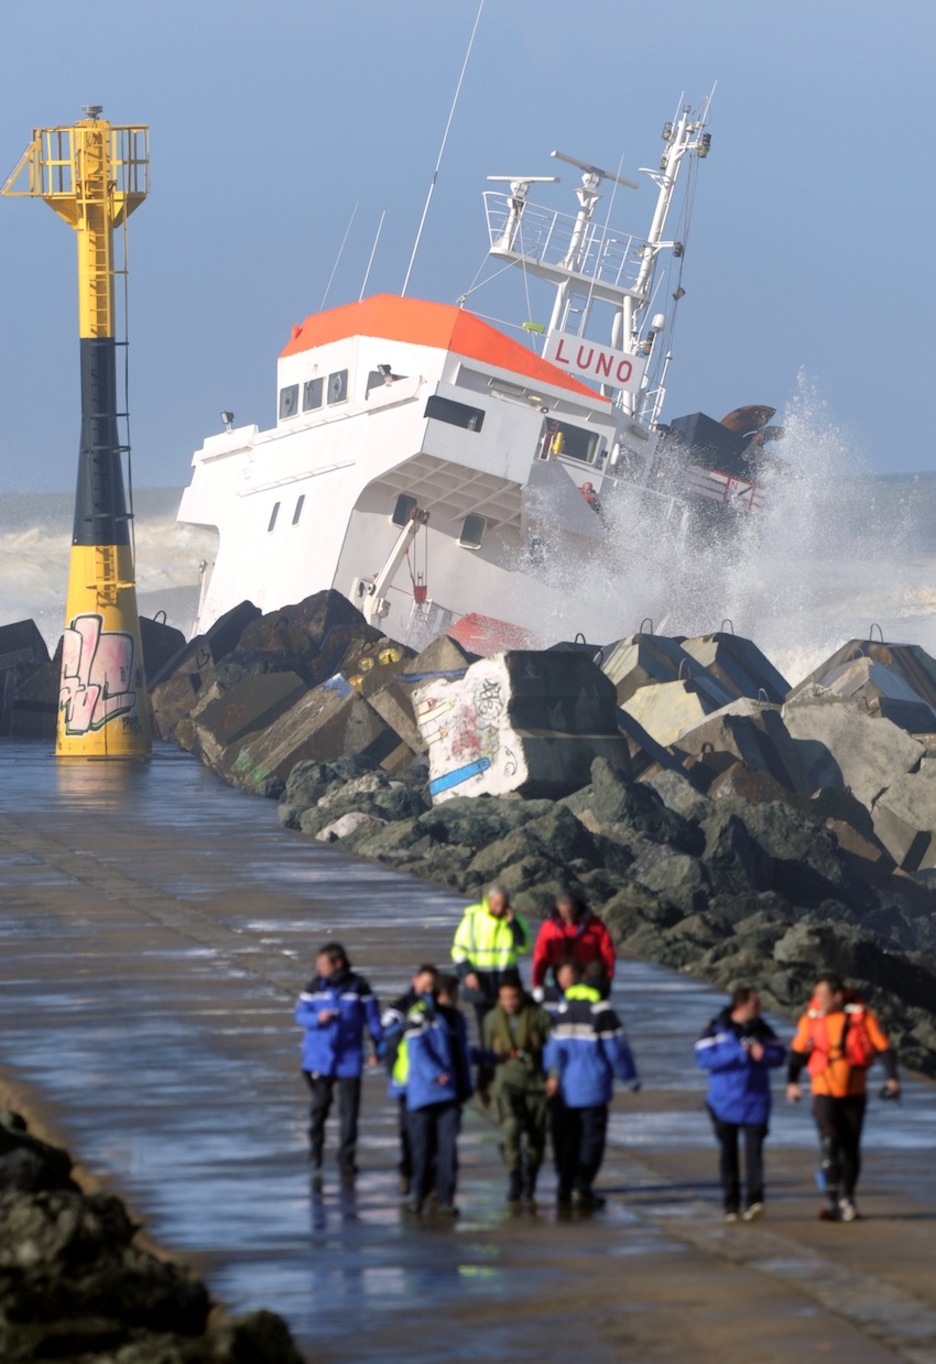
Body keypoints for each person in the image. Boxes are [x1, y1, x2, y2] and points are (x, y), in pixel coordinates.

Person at [787, 973, 900, 1222]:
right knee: (829, 1144)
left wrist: (892, 1078)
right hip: (823, 1092)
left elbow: (883, 1047)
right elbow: (797, 1053)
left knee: (850, 1149)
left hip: (854, 1094)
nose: (818, 1000)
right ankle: (832, 1200)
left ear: (837, 996)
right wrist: (792, 1083)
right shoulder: (811, 1018)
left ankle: (847, 1196)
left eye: (823, 996)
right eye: (816, 995)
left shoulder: (862, 1017)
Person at [543, 960, 639, 1209]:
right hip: (593, 1088)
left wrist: (549, 1077)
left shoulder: (564, 1010)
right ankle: (582, 1186)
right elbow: (617, 1052)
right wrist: (631, 1078)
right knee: (592, 1140)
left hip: (566, 1088)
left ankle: (566, 1183)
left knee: (568, 1139)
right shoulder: (603, 1011)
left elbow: (553, 1050)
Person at [695, 986, 786, 1222]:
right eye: (756, 1004)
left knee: (755, 1154)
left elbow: (780, 1055)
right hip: (724, 1102)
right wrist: (740, 1054)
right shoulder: (716, 1028)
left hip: (756, 1102)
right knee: (729, 1155)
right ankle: (730, 1205)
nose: (760, 1009)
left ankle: (754, 1201)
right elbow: (703, 1058)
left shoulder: (763, 1029)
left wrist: (762, 1054)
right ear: (741, 1005)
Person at [294, 942, 382, 1182]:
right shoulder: (314, 987)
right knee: (320, 1107)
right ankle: (316, 1150)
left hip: (349, 1059)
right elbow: (300, 1014)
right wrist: (316, 1018)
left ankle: (346, 1159)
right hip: (318, 1059)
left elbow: (373, 1020)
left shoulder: (359, 988)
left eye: (323, 964)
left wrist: (378, 1047)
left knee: (349, 1113)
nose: (318, 968)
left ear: (338, 963)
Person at [478, 971, 553, 1205]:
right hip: (505, 1081)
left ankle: (530, 1178)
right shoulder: (491, 1020)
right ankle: (514, 1177)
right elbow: (487, 1054)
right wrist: (483, 1085)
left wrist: (554, 1077)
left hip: (535, 1082)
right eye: (505, 998)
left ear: (521, 995)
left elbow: (554, 1049)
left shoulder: (539, 1017)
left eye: (513, 998)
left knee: (536, 1137)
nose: (510, 1003)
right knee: (510, 1128)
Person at [405, 974, 474, 1217]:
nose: (457, 997)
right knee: (423, 1151)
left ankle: (445, 1199)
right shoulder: (421, 1015)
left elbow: (462, 1052)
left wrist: (488, 1058)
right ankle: (418, 1195)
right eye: (454, 992)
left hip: (451, 1096)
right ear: (442, 992)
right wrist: (436, 1073)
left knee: (448, 1151)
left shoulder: (457, 1018)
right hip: (424, 1095)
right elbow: (417, 1049)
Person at [381, 964, 439, 1196]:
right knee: (407, 1131)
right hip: (405, 1080)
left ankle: (429, 1179)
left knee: (430, 1133)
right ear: (414, 981)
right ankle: (407, 1172)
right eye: (424, 984)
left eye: (431, 985)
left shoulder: (437, 1008)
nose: (427, 989)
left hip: (429, 1082)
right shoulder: (399, 1006)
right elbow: (387, 1035)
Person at [451, 884, 531, 1032]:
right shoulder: (473, 920)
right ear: (489, 901)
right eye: (496, 904)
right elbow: (458, 950)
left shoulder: (516, 922)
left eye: (503, 904)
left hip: (506, 982)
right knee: (485, 1028)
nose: (499, 908)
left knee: (509, 1029)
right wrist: (467, 973)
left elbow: (524, 946)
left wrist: (513, 924)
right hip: (480, 981)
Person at [531, 893, 616, 998]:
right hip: (559, 981)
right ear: (558, 910)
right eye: (563, 913)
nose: (568, 916)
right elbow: (540, 957)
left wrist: (607, 979)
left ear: (577, 908)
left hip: (587, 980)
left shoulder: (595, 925)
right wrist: (537, 985)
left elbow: (608, 954)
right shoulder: (549, 927)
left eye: (571, 912)